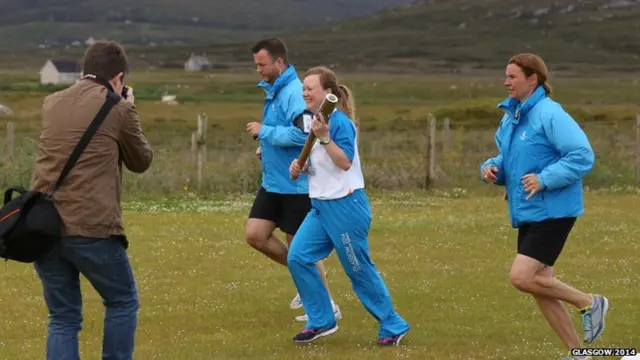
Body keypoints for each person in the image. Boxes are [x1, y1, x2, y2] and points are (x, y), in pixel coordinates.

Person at [480, 53, 608, 360]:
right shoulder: (512, 117)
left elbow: (581, 155)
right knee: (541, 285)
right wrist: (492, 167)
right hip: (529, 210)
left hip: (555, 210)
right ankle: (578, 353)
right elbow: (511, 159)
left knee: (522, 277)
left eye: (512, 76)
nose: (506, 81)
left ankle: (590, 302)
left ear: (532, 78)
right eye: (506, 76)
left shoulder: (550, 113)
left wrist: (544, 179)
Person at [29, 40, 153, 360]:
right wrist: (129, 106)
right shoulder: (118, 108)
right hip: (92, 225)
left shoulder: (52, 102)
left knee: (62, 317)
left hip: (43, 224)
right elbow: (141, 161)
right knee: (122, 301)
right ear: (118, 77)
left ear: (85, 71)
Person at [288, 66, 410, 345]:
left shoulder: (339, 123)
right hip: (320, 207)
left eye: (311, 88)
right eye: (304, 88)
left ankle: (392, 324)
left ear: (328, 92)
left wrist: (324, 137)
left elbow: (344, 162)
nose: (305, 92)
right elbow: (323, 163)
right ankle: (321, 320)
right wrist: (301, 167)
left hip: (346, 206)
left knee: (357, 268)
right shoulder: (316, 121)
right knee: (298, 257)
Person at [245, 37, 341, 321]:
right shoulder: (276, 91)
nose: (259, 70)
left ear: (279, 62)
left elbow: (303, 133)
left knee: (301, 248)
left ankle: (327, 305)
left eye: (262, 65)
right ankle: (306, 281)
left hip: (295, 186)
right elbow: (285, 131)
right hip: (273, 183)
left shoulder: (291, 93)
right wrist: (268, 146)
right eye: (256, 65)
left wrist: (264, 132)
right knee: (255, 235)